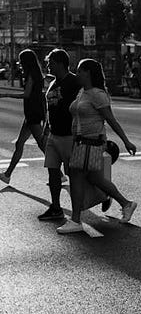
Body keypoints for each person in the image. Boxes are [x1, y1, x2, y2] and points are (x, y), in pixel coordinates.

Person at [56, 59, 138, 234]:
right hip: (80, 142)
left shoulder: (97, 94)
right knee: (96, 179)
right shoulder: (82, 92)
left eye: (79, 71)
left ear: (88, 73)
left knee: (76, 176)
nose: (76, 74)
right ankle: (127, 204)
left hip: (91, 142)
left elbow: (111, 120)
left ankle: (76, 220)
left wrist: (126, 141)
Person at [36, 49, 81, 221]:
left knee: (75, 174)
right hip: (54, 135)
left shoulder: (74, 82)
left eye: (51, 63)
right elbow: (50, 108)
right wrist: (46, 130)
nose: (48, 65)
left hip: (70, 136)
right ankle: (56, 207)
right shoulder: (53, 83)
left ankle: (101, 193)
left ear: (60, 63)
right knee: (53, 172)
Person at [0, 49, 47, 187]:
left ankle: (60, 173)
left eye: (21, 61)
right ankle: (7, 175)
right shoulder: (37, 74)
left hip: (32, 113)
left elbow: (27, 94)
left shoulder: (32, 75)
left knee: (42, 144)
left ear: (26, 62)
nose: (20, 63)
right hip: (32, 113)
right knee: (20, 144)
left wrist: (6, 95)